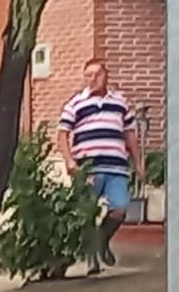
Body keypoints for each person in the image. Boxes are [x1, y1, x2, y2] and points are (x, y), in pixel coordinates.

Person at [57, 58, 139, 275]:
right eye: (88, 75)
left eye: (97, 74)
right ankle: (92, 260)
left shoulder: (120, 102)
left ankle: (102, 241)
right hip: (87, 169)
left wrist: (139, 162)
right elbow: (62, 134)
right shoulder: (76, 103)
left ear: (106, 76)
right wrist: (69, 161)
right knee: (87, 214)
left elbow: (129, 133)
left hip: (116, 167)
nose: (92, 79)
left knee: (120, 209)